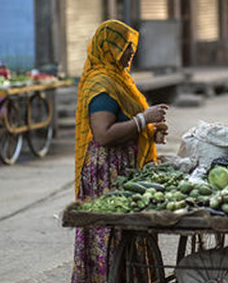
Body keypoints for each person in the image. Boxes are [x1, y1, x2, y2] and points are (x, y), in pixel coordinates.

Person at [72, 19, 169, 282]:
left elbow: (128, 120)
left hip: (124, 166)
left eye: (131, 48)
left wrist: (149, 130)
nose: (130, 53)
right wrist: (143, 120)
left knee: (129, 232)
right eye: (125, 47)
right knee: (112, 233)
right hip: (107, 170)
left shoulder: (119, 79)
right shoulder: (102, 83)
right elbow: (103, 134)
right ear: (108, 47)